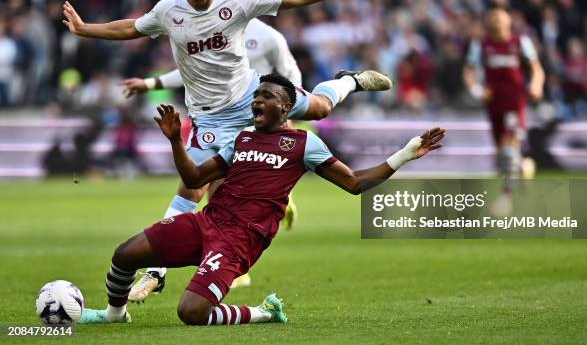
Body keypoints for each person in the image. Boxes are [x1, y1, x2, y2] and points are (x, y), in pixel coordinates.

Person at [63, 0, 392, 300]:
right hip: (209, 117)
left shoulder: (237, 3)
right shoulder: (169, 10)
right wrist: (86, 29)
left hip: (253, 95)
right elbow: (131, 27)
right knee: (192, 188)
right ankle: (155, 272)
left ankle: (349, 80)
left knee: (321, 107)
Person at [78, 73, 446, 325]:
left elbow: (353, 184)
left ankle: (264, 313)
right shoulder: (240, 140)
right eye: (256, 96)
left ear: (286, 107)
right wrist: (176, 140)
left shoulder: (304, 144)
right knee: (125, 253)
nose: (257, 101)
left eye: (266, 97)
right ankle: (114, 315)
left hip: (240, 239)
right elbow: (193, 178)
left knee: (191, 313)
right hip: (207, 221)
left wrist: (405, 154)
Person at [463, 6, 545, 182]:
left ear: (508, 20)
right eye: (492, 16)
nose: (496, 19)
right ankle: (524, 166)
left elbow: (536, 68)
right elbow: (468, 73)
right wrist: (477, 90)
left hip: (514, 102)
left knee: (510, 146)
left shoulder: (521, 42)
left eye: (500, 16)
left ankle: (506, 194)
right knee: (502, 150)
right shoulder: (480, 45)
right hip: (493, 103)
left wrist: (536, 85)